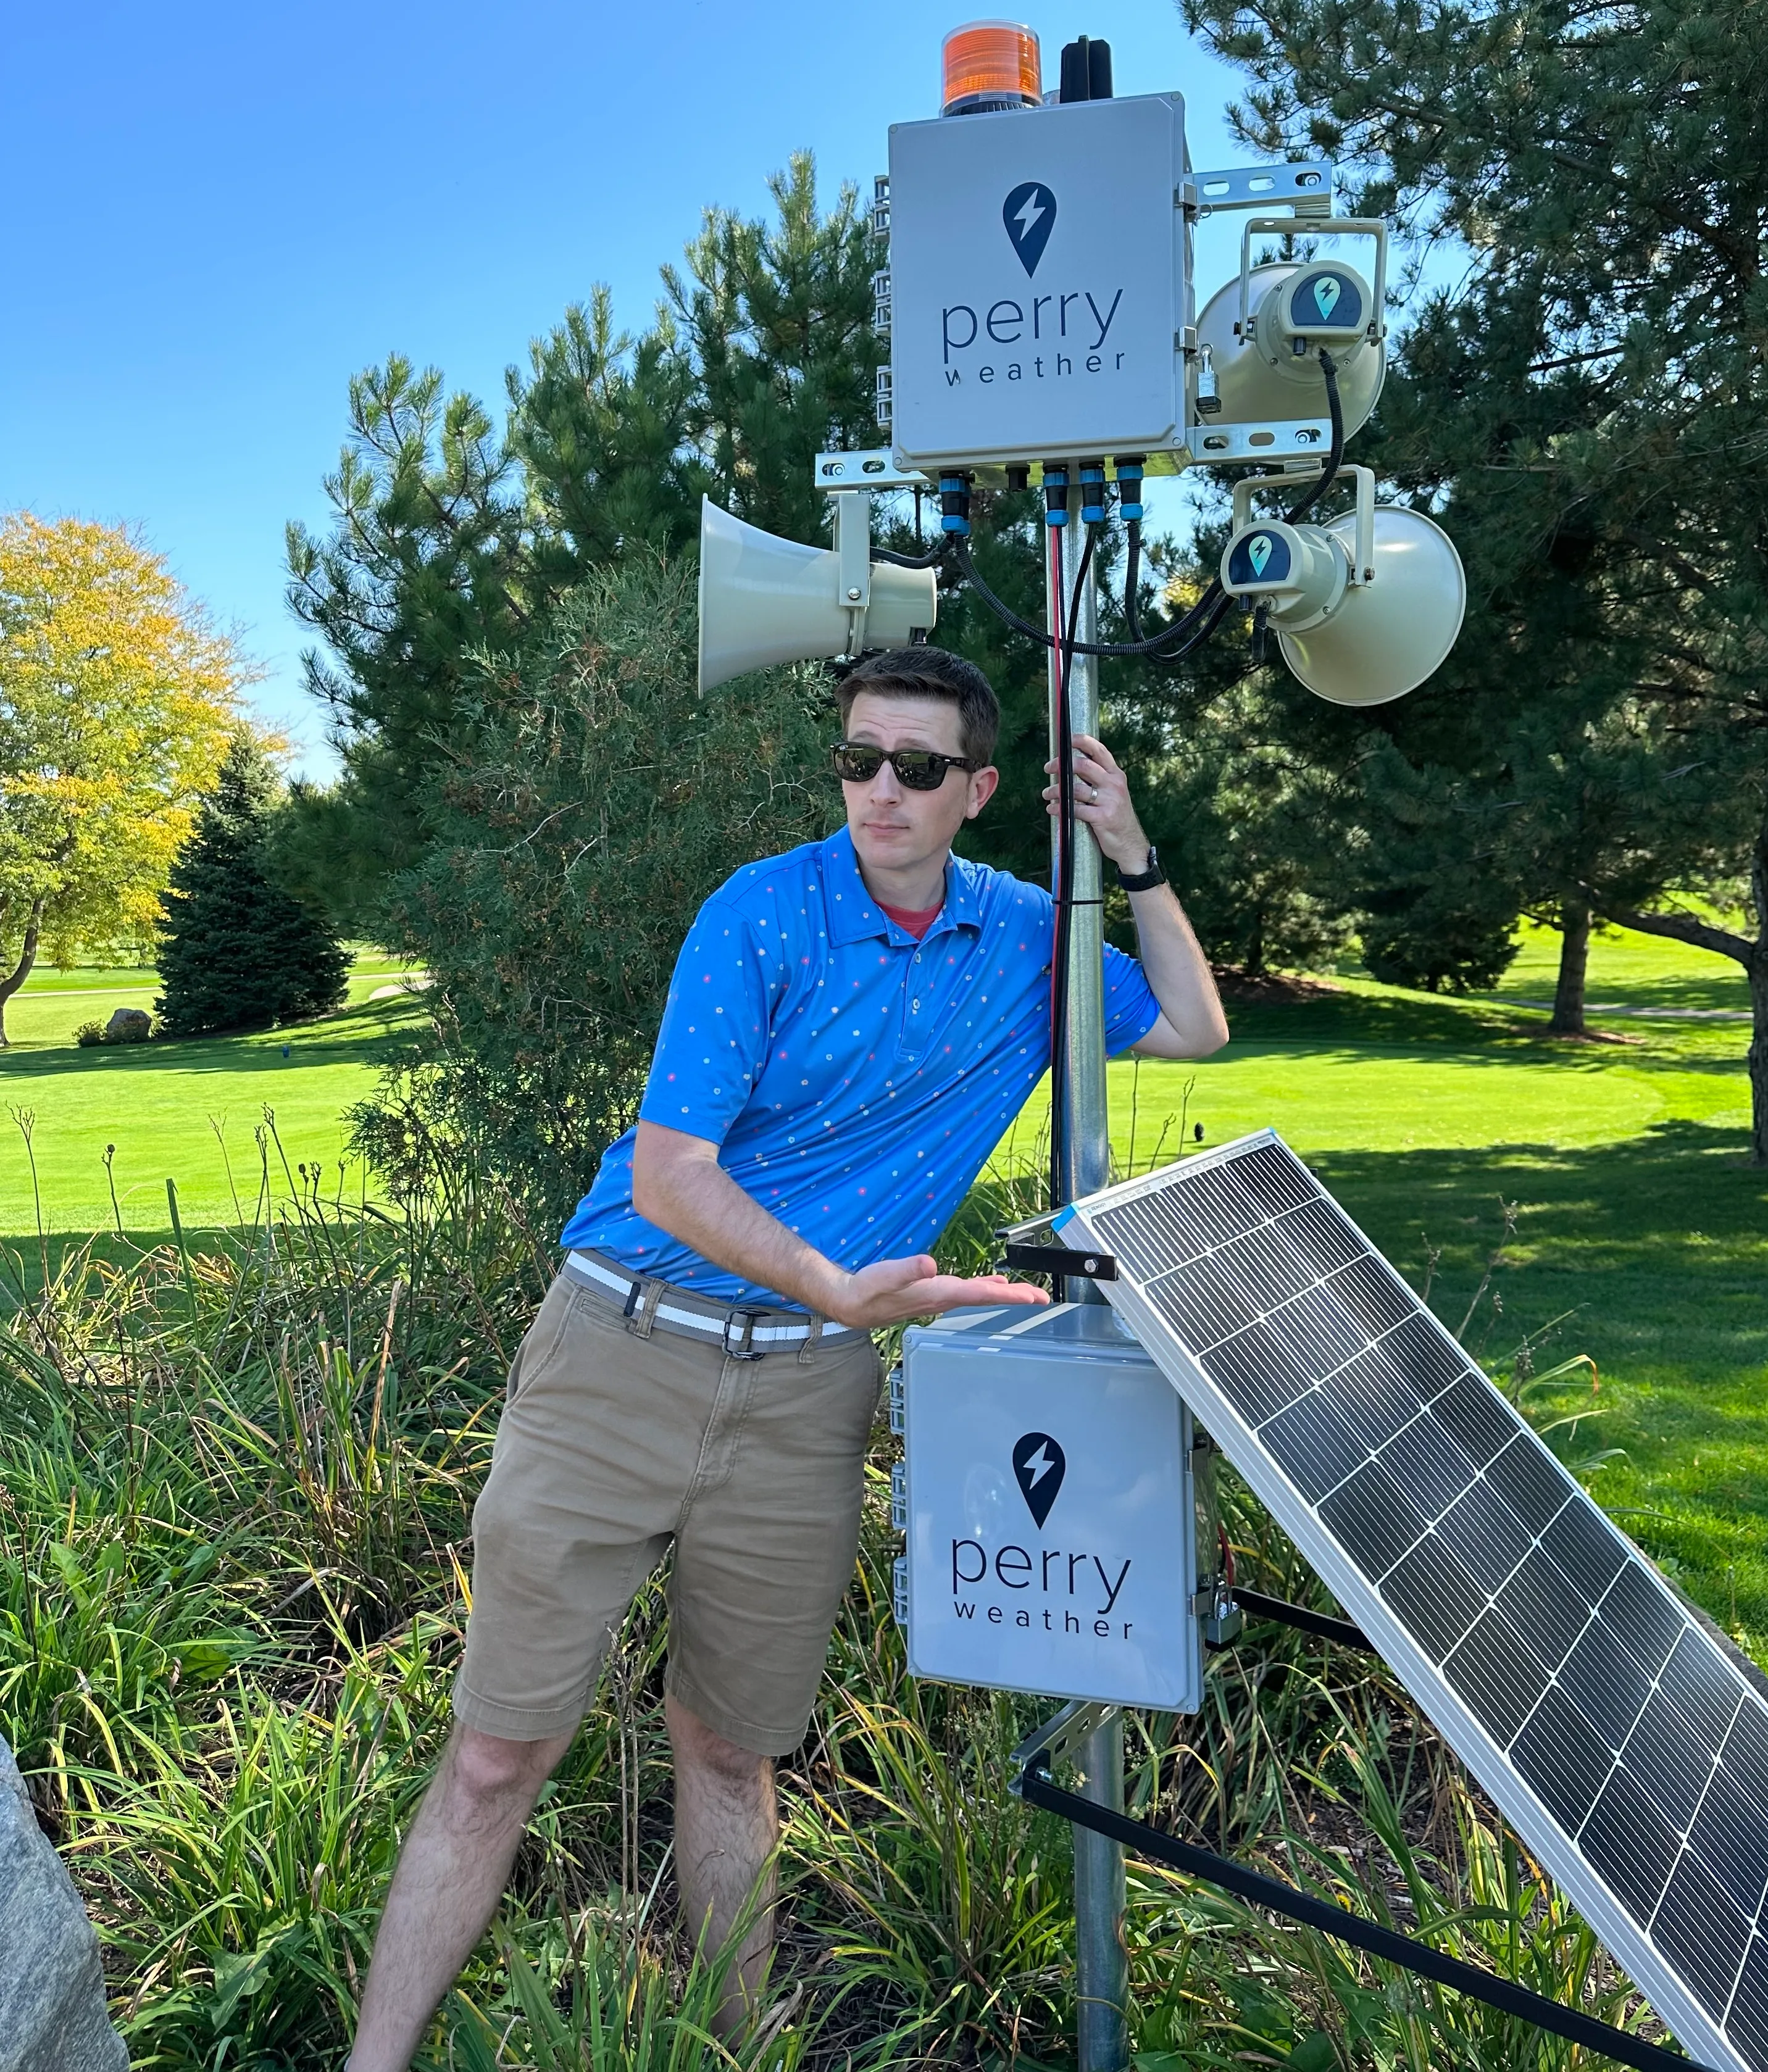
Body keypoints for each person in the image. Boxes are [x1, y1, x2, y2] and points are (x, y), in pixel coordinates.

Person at [346, 646, 1230, 2070]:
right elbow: (669, 1175)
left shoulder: (1024, 935)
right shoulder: (761, 914)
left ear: (979, 790)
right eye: (860, 759)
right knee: (499, 1752)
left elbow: (1194, 1025)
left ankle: (740, 2050)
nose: (882, 789)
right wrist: (832, 1280)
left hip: (807, 1395)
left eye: (919, 768)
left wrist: (1129, 856)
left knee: (731, 1750)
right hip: (618, 1356)